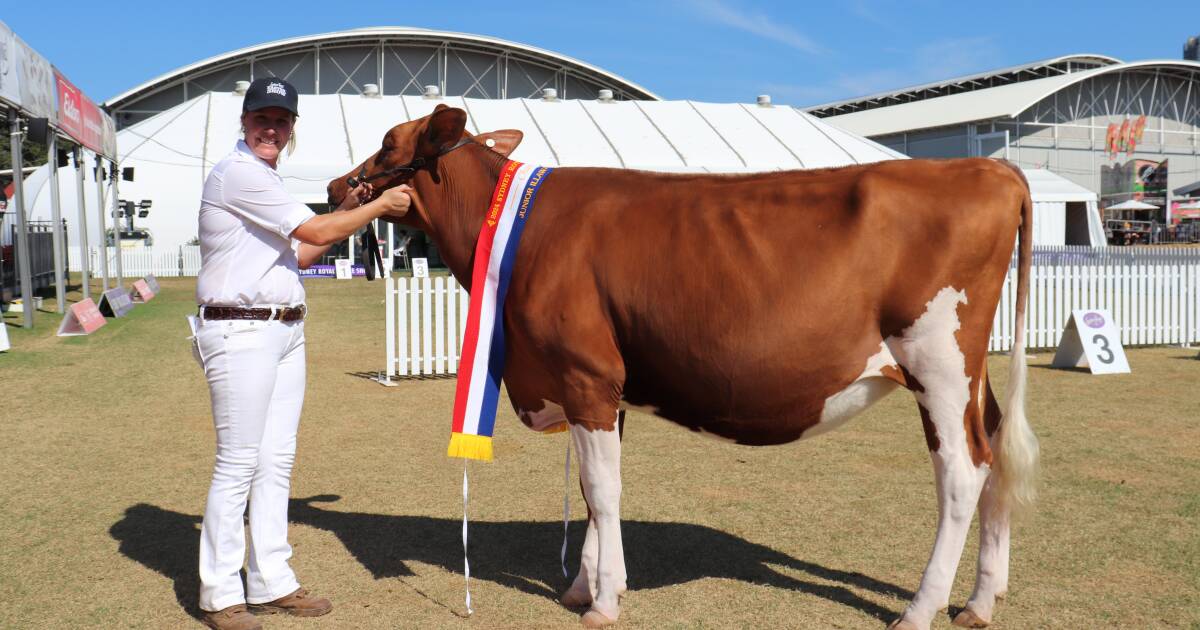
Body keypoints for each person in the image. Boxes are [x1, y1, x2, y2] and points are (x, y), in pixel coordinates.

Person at [191, 77, 410, 630]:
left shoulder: (264, 178)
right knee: (239, 463)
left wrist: (347, 209)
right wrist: (378, 205)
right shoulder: (239, 173)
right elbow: (312, 226)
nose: (272, 128)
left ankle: (271, 582)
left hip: (283, 330)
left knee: (275, 462)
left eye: (282, 120)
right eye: (262, 118)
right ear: (243, 123)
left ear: (290, 130)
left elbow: (306, 247)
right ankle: (220, 594)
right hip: (240, 331)